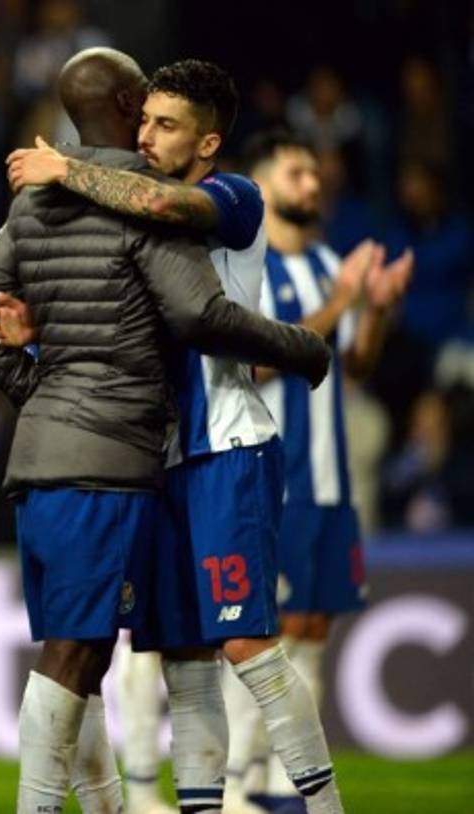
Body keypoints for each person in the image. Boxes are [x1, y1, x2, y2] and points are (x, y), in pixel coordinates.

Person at [0, 48, 329, 814]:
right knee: (181, 662)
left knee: (247, 646)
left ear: (207, 142)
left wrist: (65, 171)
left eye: (168, 126)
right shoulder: (119, 200)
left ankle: (323, 807)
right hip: (150, 455)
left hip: (222, 445)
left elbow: (163, 216)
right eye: (147, 120)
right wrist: (41, 346)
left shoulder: (232, 196)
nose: (151, 137)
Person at [232, 129, 412, 811]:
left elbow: (356, 366)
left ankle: (280, 789)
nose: (313, 184)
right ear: (262, 179)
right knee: (261, 636)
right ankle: (237, 786)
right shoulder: (245, 267)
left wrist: (378, 313)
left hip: (331, 476)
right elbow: (251, 362)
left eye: (316, 172)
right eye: (297, 172)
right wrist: (341, 303)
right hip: (274, 477)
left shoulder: (331, 262)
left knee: (312, 629)